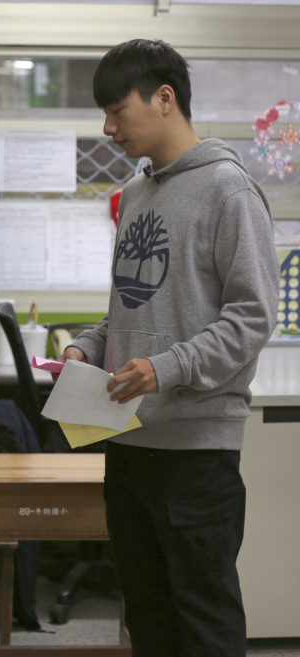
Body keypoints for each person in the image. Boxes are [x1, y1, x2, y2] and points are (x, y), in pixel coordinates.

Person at [60, 39, 278, 656]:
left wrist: (167, 368)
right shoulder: (136, 193)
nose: (108, 128)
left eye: (116, 110)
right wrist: (84, 347)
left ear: (165, 98)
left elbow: (255, 315)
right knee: (148, 622)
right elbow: (129, 309)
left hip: (196, 454)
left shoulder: (228, 190)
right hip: (128, 446)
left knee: (203, 623)